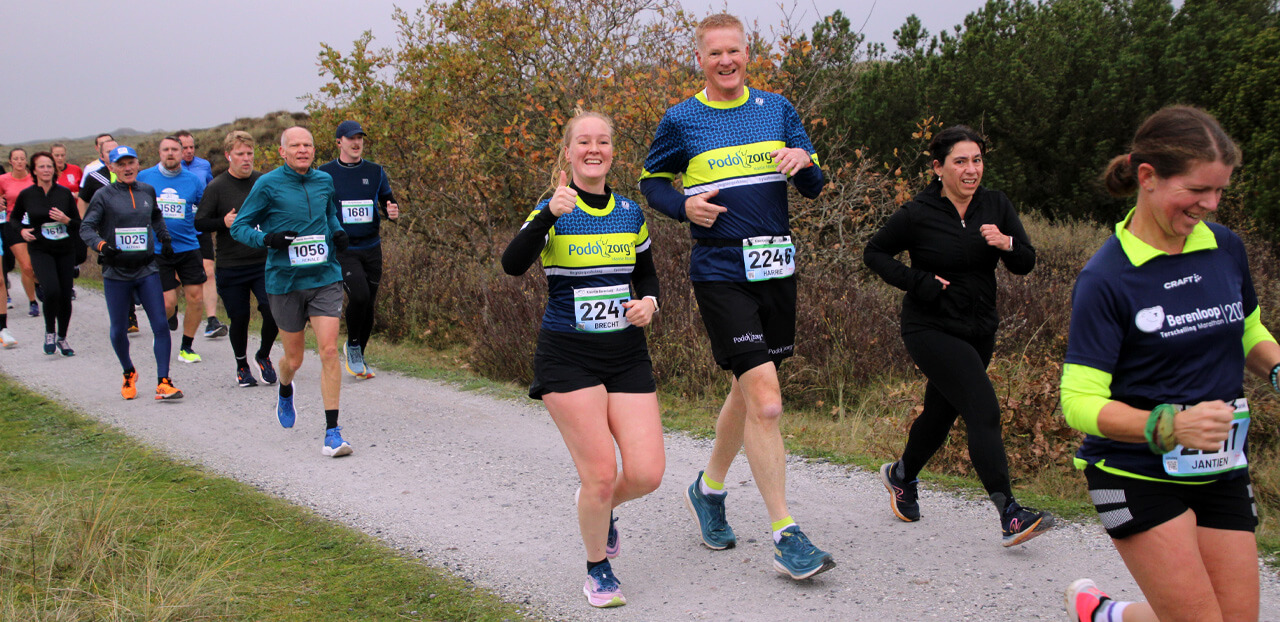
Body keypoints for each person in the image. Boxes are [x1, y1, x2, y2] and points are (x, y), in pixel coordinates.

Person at [1061, 106, 1280, 622]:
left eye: (1220, 191)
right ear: (1148, 178)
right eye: (1197, 190)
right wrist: (1170, 424)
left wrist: (1275, 367)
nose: (1210, 204)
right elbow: (1079, 402)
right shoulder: (1106, 277)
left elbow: (1246, 328)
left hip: (1221, 465)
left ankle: (1104, 614)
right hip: (1134, 471)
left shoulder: (1224, 248)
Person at [639, 12, 834, 580]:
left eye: (735, 51)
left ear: (748, 54)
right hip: (720, 269)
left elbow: (816, 185)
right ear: (699, 59)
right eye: (715, 53)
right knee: (768, 400)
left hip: (775, 266)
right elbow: (653, 182)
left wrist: (805, 165)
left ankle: (708, 490)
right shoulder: (683, 119)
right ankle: (786, 533)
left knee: (748, 387)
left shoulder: (778, 110)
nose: (726, 61)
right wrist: (683, 207)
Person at [502, 111, 664, 608]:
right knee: (598, 473)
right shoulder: (552, 207)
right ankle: (598, 568)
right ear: (568, 152)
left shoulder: (630, 212)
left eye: (604, 142)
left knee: (646, 474)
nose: (594, 149)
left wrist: (650, 303)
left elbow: (648, 275)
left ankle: (599, 508)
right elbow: (512, 264)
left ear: (613, 151)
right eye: (584, 142)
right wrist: (549, 212)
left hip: (626, 355)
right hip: (568, 357)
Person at [863, 126, 1054, 546]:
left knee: (941, 413)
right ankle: (1010, 513)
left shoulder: (996, 205)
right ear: (938, 167)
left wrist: (1006, 243)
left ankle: (901, 475)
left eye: (977, 160)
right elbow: (873, 252)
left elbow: (1026, 262)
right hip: (929, 327)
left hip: (980, 328)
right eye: (961, 161)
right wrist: (919, 281)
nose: (972, 170)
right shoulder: (917, 213)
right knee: (982, 409)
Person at [231, 126, 352, 457]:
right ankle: (285, 387)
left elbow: (330, 216)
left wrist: (338, 232)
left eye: (308, 145)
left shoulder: (324, 180)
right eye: (295, 145)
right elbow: (239, 227)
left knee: (328, 351)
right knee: (294, 359)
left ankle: (333, 432)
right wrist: (267, 239)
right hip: (285, 282)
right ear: (282, 152)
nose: (303, 150)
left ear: (315, 150)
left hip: (325, 276)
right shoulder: (267, 185)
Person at [80, 145, 183, 400]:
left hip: (147, 269)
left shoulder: (147, 190)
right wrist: (103, 246)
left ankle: (164, 381)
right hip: (117, 272)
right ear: (112, 168)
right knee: (118, 330)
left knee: (160, 324)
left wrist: (165, 238)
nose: (127, 168)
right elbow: (86, 228)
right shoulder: (103, 196)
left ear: (138, 164)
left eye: (131, 163)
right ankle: (128, 372)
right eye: (121, 164)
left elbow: (156, 216)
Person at [195, 130, 280, 387]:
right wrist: (223, 222)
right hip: (232, 265)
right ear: (228, 155)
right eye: (240, 154)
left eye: (249, 153)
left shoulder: (263, 181)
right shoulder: (217, 187)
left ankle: (263, 355)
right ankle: (242, 365)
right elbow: (199, 222)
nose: (246, 159)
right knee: (240, 317)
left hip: (263, 262)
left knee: (273, 311)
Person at [318, 120, 399, 379]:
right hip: (344, 248)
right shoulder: (324, 172)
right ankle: (353, 345)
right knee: (360, 297)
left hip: (371, 247)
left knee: (369, 304)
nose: (356, 143)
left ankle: (359, 353)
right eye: (351, 138)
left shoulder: (375, 171)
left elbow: (388, 199)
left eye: (360, 138)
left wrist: (392, 210)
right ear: (339, 142)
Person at [138, 136, 207, 364]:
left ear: (182, 153)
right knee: (167, 302)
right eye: (166, 149)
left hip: (188, 246)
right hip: (157, 249)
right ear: (159, 153)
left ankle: (186, 347)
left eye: (174, 150)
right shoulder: (145, 178)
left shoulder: (193, 180)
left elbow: (204, 209)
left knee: (196, 299)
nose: (170, 153)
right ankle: (160, 336)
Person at [12, 152, 79, 355]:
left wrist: (66, 220)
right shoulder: (28, 194)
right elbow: (14, 220)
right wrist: (22, 231)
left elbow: (78, 224)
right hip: (41, 250)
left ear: (54, 170)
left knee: (65, 296)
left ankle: (62, 338)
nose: (46, 170)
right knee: (51, 291)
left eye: (49, 166)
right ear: (34, 171)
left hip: (65, 250)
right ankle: (50, 332)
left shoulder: (64, 193)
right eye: (41, 167)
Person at [175, 130, 227, 339]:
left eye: (191, 147)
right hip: (178, 231)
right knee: (178, 276)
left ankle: (212, 319)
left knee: (209, 271)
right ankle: (172, 310)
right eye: (183, 148)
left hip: (198, 228)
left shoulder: (203, 166)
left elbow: (211, 190)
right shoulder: (166, 173)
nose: (188, 151)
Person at [1, 148, 40, 316]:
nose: (19, 161)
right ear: (10, 161)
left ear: (26, 161)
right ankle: (32, 301)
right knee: (26, 265)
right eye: (15, 158)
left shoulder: (34, 178)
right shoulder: (3, 179)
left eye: (22, 158)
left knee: (38, 265)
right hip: (13, 225)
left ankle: (38, 283)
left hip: (36, 224)